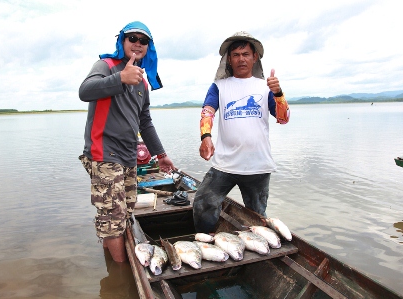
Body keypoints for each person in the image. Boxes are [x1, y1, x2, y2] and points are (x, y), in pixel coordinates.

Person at [78, 21, 175, 262]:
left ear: (148, 48)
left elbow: (145, 121)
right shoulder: (106, 66)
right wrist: (120, 78)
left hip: (128, 156)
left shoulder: (143, 82)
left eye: (144, 41)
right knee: (113, 217)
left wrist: (160, 155)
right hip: (104, 154)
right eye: (132, 38)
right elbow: (85, 91)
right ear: (122, 41)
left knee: (124, 210)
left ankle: (111, 267)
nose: (137, 43)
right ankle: (122, 274)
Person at [193, 31, 290, 233]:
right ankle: (206, 239)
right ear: (229, 59)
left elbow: (283, 118)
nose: (241, 59)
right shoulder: (219, 86)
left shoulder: (265, 87)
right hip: (224, 164)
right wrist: (206, 137)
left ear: (255, 57)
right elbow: (207, 112)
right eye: (236, 55)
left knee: (256, 216)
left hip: (258, 167)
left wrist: (278, 94)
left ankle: (255, 254)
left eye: (246, 54)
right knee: (203, 204)